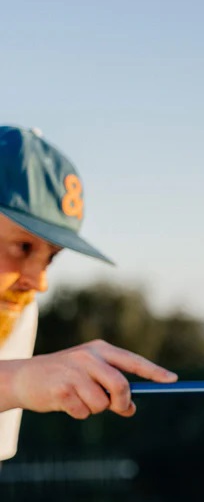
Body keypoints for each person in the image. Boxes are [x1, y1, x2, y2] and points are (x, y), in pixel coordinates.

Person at [0, 125, 177, 460]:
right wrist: (16, 382)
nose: (39, 282)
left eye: (51, 258)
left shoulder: (15, 311)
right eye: (23, 247)